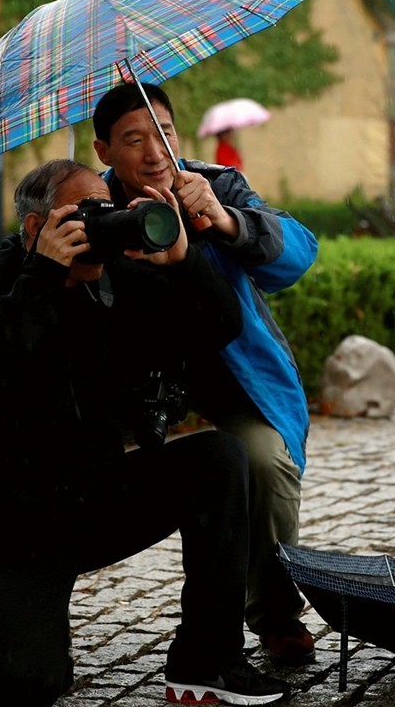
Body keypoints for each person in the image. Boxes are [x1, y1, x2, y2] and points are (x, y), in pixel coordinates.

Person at [0, 159, 289, 706]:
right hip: (11, 522)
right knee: (30, 686)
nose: (98, 226)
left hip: (93, 496)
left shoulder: (118, 279)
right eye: (83, 216)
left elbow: (217, 326)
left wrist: (182, 261)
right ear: (37, 229)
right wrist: (43, 274)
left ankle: (207, 662)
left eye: (103, 211)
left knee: (219, 457)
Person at [92, 83, 318, 663]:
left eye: (163, 132)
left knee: (264, 461)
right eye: (133, 138)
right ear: (103, 150)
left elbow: (298, 256)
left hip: (232, 373)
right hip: (138, 382)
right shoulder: (96, 208)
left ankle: (275, 614)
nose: (153, 150)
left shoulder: (215, 186)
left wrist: (223, 221)